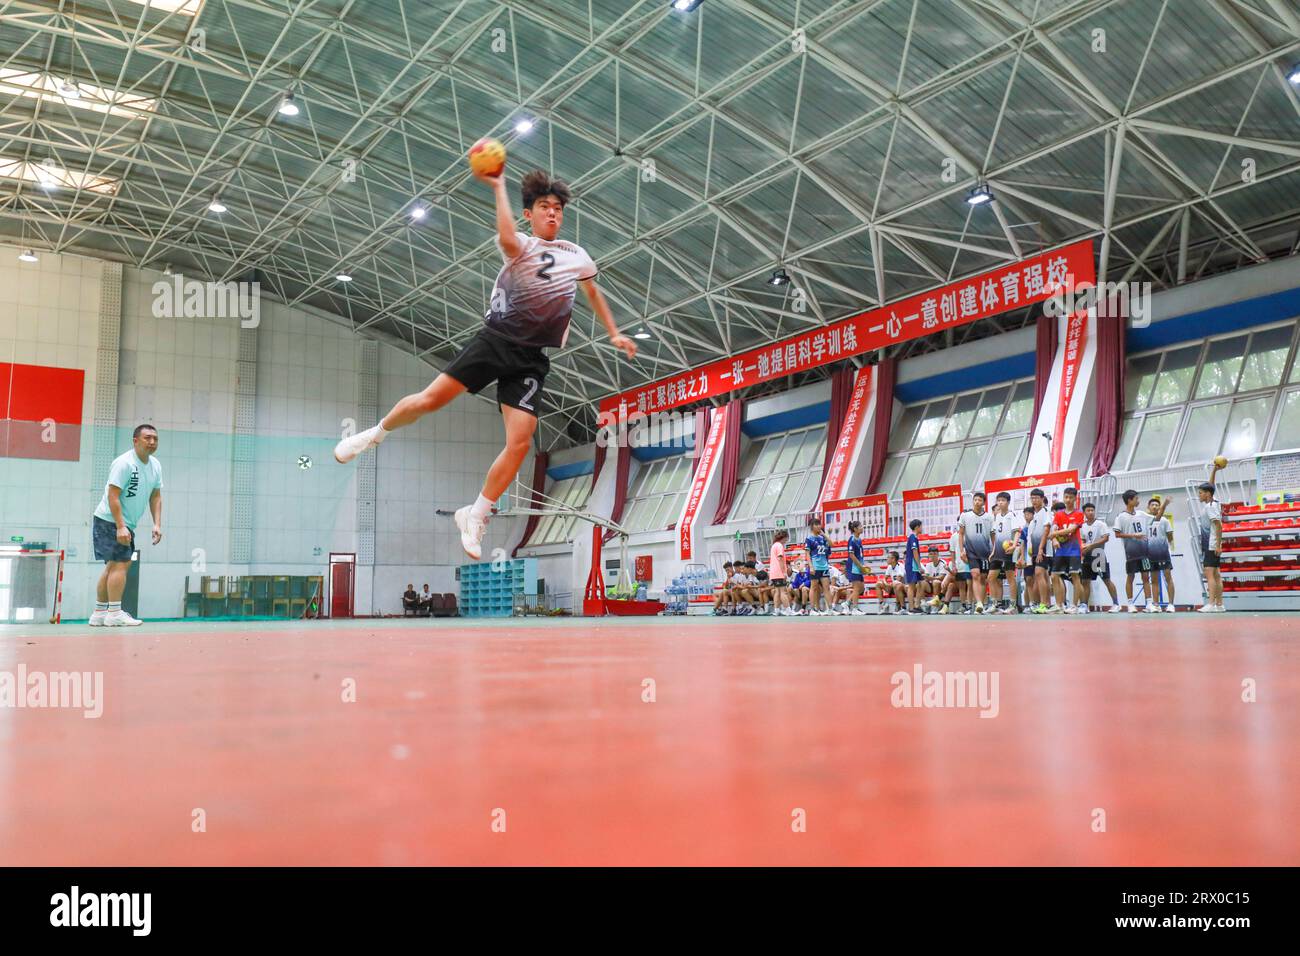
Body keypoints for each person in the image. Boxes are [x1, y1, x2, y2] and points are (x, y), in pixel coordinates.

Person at [333, 168, 638, 560]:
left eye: (558, 209)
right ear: (529, 213)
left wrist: (614, 332)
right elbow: (507, 238)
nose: (552, 214)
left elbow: (593, 292)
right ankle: (373, 434)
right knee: (430, 400)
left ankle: (476, 514)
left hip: (531, 359)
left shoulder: (576, 255)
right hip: (495, 341)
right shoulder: (523, 244)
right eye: (544, 207)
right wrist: (497, 186)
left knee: (521, 440)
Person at [89, 424, 163, 627]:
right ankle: (114, 613)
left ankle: (99, 613)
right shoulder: (124, 463)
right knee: (121, 564)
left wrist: (157, 524)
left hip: (124, 523)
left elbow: (156, 496)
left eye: (155, 439)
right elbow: (112, 495)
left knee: (113, 566)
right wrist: (121, 526)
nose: (152, 442)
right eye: (147, 438)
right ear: (135, 441)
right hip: (110, 520)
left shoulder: (155, 465)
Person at [1113, 489, 1157, 613]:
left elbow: (1156, 518)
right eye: (1136, 499)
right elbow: (1117, 534)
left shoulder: (1141, 514)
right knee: (1130, 577)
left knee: (1145, 577)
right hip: (1131, 553)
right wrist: (1133, 535)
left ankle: (1149, 603)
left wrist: (1163, 506)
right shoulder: (1121, 516)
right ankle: (1130, 603)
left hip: (1144, 552)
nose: (1138, 501)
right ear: (1129, 500)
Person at [1049, 486, 1087, 614]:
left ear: (1075, 498)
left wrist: (1053, 534)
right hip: (1060, 551)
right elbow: (1053, 528)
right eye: (1066, 497)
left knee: (1075, 577)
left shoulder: (1079, 514)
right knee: (1054, 576)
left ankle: (1074, 606)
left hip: (1074, 550)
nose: (1068, 499)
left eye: (1071, 497)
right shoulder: (1059, 514)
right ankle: (1059, 605)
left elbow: (1071, 530)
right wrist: (1054, 539)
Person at [1080, 502, 1121, 612]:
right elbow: (1083, 540)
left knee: (1106, 580)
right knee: (1085, 581)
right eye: (1088, 510)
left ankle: (1116, 604)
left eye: (1092, 510)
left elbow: (1105, 538)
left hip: (1098, 554)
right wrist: (1083, 547)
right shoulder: (1082, 526)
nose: (1090, 512)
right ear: (1084, 513)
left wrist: (1091, 545)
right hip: (1087, 556)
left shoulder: (1100, 524)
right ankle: (1084, 605)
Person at [957, 491, 993, 613]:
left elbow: (993, 535)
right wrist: (962, 551)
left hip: (985, 552)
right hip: (971, 551)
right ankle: (978, 602)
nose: (977, 502)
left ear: (984, 502)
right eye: (975, 500)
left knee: (983, 578)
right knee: (975, 575)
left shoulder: (989, 517)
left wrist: (993, 551)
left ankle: (981, 604)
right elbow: (961, 534)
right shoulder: (965, 516)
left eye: (980, 500)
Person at [988, 492, 1023, 614]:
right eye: (998, 500)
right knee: (991, 577)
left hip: (1008, 550)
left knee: (1010, 577)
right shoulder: (997, 517)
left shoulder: (1011, 515)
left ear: (1008, 502)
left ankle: (1013, 606)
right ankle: (994, 605)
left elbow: (1017, 531)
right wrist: (993, 551)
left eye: (1003, 500)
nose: (1000, 502)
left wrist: (1014, 545)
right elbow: (996, 535)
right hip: (998, 551)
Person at [1195, 481, 1225, 613]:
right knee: (1216, 574)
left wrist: (1217, 545)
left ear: (1207, 494)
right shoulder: (1216, 503)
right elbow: (1211, 484)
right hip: (1213, 543)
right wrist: (1214, 469)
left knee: (1209, 574)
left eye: (1201, 493)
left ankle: (1211, 603)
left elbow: (1218, 525)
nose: (1199, 496)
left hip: (1211, 544)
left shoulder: (1210, 507)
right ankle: (1219, 604)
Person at [1026, 489, 1054, 613]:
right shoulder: (1035, 515)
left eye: (1037, 498)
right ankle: (1046, 603)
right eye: (1032, 498)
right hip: (1035, 551)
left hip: (1044, 550)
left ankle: (1043, 604)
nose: (1034, 500)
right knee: (1042, 576)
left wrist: (1041, 549)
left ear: (1043, 499)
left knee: (1039, 574)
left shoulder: (1046, 512)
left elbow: (1046, 531)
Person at [1146, 496, 1176, 612]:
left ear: (1159, 508)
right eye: (1152, 505)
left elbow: (1170, 535)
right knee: (1154, 580)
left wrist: (1170, 546)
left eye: (1157, 505)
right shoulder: (1146, 520)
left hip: (1163, 553)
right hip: (1150, 554)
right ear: (1148, 507)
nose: (1154, 507)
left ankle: (1171, 604)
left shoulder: (1164, 520)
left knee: (1168, 577)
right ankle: (1156, 604)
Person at [804, 518, 832, 616]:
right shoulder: (809, 538)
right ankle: (812, 609)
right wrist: (811, 566)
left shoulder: (822, 538)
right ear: (812, 526)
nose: (819, 526)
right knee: (814, 587)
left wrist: (824, 535)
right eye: (816, 525)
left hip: (824, 566)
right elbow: (807, 554)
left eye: (819, 524)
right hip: (815, 566)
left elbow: (831, 544)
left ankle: (830, 609)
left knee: (826, 588)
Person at [842, 520, 868, 615]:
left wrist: (863, 566)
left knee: (861, 588)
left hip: (859, 566)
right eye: (860, 526)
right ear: (855, 529)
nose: (862, 528)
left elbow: (860, 555)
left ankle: (847, 602)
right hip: (854, 567)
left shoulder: (859, 539)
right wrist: (860, 566)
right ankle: (855, 609)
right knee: (857, 588)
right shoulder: (852, 540)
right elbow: (852, 555)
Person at [769, 530, 792, 616]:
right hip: (779, 572)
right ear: (784, 537)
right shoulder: (779, 545)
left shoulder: (774, 545)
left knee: (777, 592)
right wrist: (784, 572)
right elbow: (780, 559)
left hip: (774, 573)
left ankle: (777, 610)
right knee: (783, 592)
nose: (787, 540)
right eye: (786, 538)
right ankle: (788, 610)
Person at [903, 518, 924, 614]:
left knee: (921, 584)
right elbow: (915, 552)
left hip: (914, 565)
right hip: (912, 565)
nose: (922, 528)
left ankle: (916, 605)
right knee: (911, 586)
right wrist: (920, 566)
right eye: (921, 526)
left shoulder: (915, 537)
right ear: (917, 527)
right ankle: (911, 608)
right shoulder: (912, 537)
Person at [920, 546, 946, 611]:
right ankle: (923, 603)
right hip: (931, 585)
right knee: (921, 582)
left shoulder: (942, 563)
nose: (933, 556)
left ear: (938, 554)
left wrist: (930, 578)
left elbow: (941, 577)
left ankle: (936, 604)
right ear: (928, 555)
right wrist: (923, 576)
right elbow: (926, 578)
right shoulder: (928, 564)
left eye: (935, 554)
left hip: (942, 586)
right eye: (931, 554)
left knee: (936, 582)